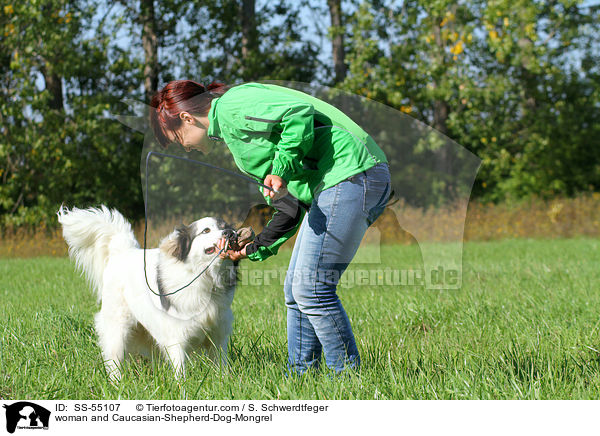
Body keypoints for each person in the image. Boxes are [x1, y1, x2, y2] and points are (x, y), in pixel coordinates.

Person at [149, 80, 391, 375]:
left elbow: (297, 115)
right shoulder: (235, 135)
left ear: (187, 119)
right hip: (340, 180)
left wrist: (280, 169)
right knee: (296, 289)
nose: (183, 146)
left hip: (351, 171)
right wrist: (254, 246)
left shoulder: (230, 107)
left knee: (313, 289)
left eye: (177, 138)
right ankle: (301, 377)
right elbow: (290, 205)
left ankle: (350, 377)